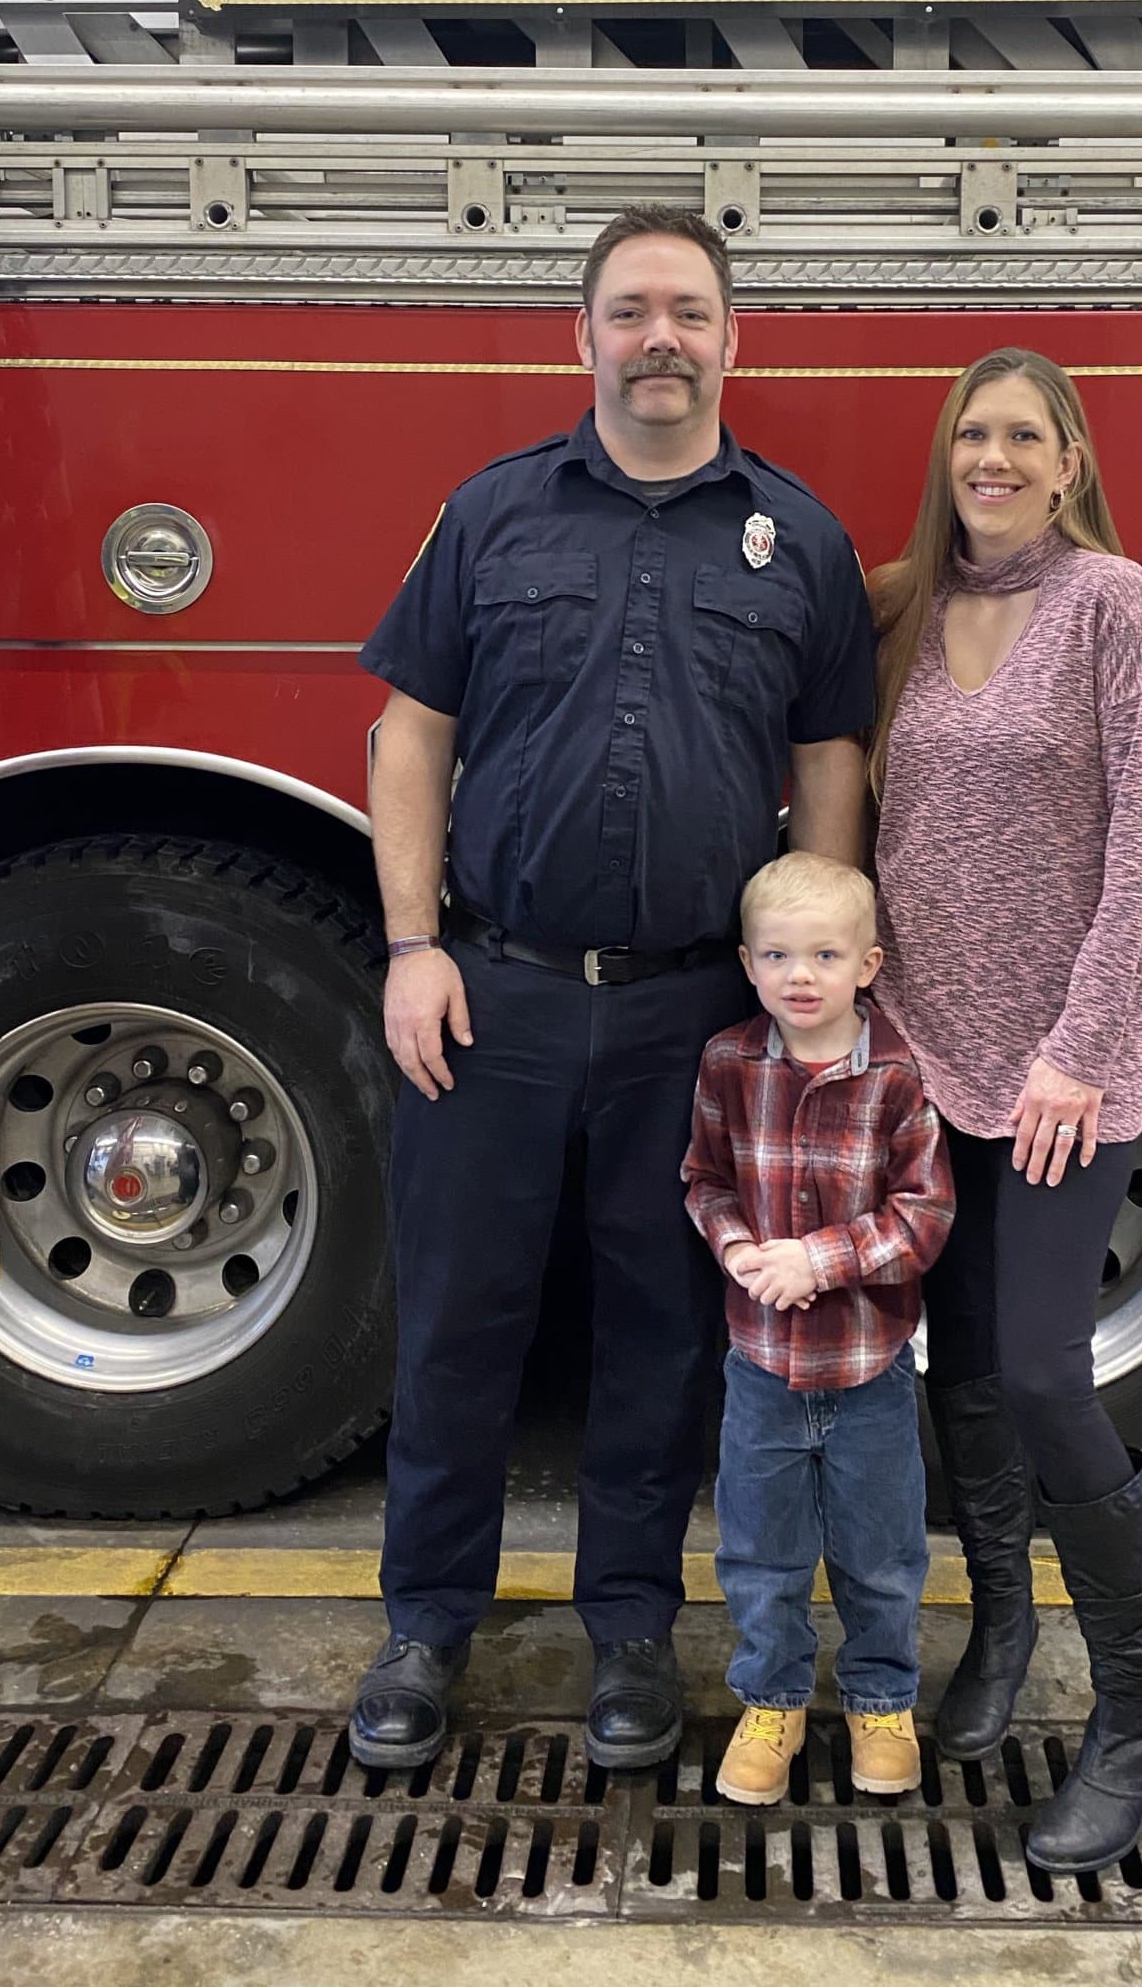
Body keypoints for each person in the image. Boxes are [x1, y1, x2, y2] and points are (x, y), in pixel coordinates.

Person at [351, 205, 876, 1775]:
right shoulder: (491, 515)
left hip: (695, 1015)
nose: (662, 339)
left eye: (690, 313)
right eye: (633, 310)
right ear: (581, 336)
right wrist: (411, 947)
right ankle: (425, 1624)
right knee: (461, 1322)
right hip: (491, 994)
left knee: (662, 1330)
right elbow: (410, 737)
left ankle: (634, 1628)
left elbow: (829, 766)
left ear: (733, 341)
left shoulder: (801, 540)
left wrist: (813, 994)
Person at [869, 346, 1142, 1876]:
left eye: (1021, 437)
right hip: (925, 1056)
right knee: (965, 1363)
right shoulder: (909, 613)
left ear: (1070, 463)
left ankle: (1140, 1713)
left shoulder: (1112, 605)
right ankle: (1001, 1628)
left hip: (1067, 1069)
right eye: (970, 437)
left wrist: (1078, 1043)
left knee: (1051, 1377)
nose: (990, 460)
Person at [683, 851, 953, 1808]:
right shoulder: (728, 1063)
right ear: (748, 964)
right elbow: (705, 1180)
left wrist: (818, 1260)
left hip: (870, 1368)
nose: (801, 976)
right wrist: (738, 1249)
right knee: (761, 1552)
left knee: (882, 1553)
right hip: (760, 1365)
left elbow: (925, 1217)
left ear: (868, 965)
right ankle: (773, 1701)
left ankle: (881, 1701)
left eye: (826, 956)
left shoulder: (899, 1077)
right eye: (778, 956)